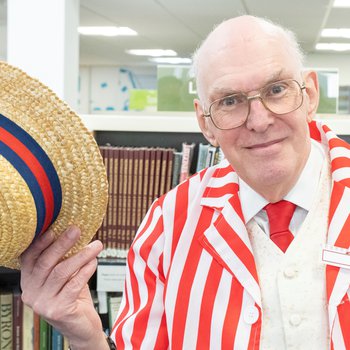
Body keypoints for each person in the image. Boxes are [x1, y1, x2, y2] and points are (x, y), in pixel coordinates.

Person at [20, 15, 350, 349]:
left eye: (276, 89)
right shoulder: (167, 226)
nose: (260, 120)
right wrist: (86, 336)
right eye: (230, 101)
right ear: (205, 123)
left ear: (309, 94)